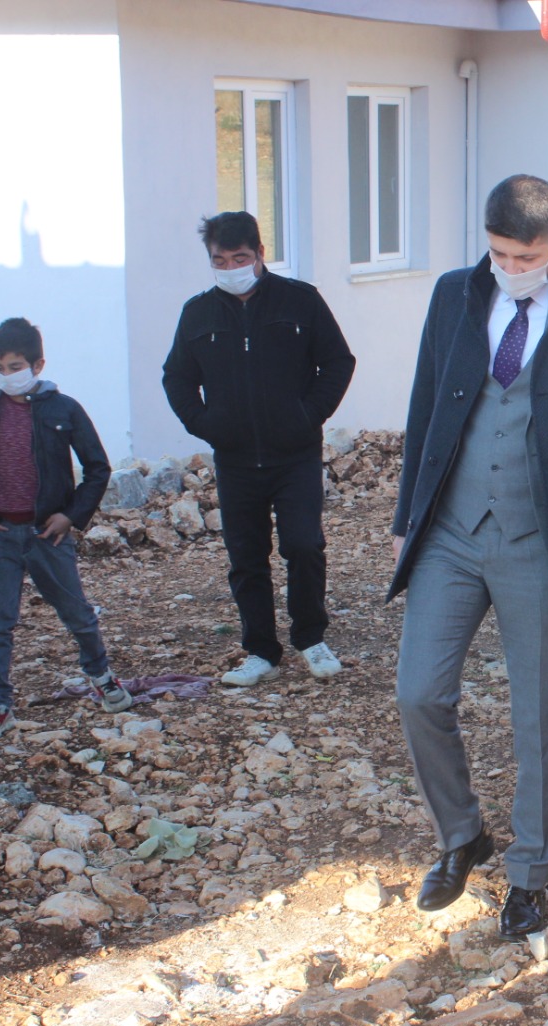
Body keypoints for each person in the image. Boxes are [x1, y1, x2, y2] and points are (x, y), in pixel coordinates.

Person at [391, 175, 548, 940]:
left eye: (526, 254)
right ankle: (461, 834)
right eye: (499, 251)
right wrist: (408, 516)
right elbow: (424, 404)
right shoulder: (453, 295)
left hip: (544, 538)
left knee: (537, 716)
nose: (510, 265)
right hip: (451, 530)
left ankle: (532, 871)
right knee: (419, 694)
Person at [163, 211, 356, 686]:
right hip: (235, 459)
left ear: (260, 254)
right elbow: (177, 378)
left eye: (240, 257)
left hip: (295, 455)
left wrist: (307, 416)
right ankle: (260, 652)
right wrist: (207, 426)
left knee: (303, 545)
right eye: (220, 259)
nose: (231, 267)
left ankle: (311, 638)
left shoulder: (301, 300)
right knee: (246, 557)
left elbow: (337, 362)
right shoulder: (197, 313)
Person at [0, 318, 133, 741]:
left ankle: (101, 676)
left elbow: (98, 468)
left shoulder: (64, 409)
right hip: (3, 535)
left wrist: (71, 517)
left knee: (76, 612)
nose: (7, 375)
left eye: (16, 366)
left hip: (49, 534)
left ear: (38, 364)